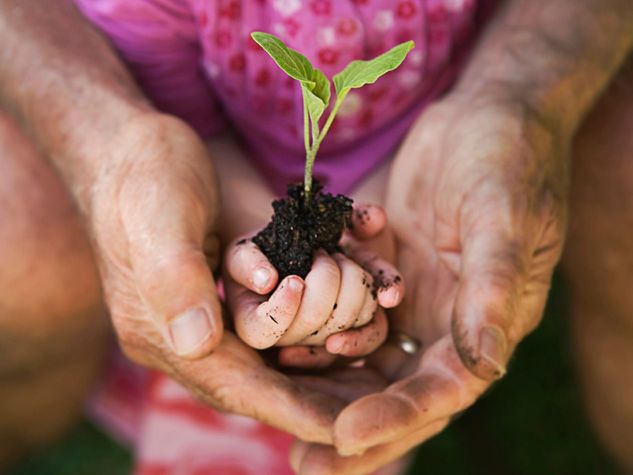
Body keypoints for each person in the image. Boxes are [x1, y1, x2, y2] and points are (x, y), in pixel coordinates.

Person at [0, 0, 632, 474]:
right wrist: (240, 211)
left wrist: (513, 96)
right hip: (240, 177)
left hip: (413, 171)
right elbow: (177, 102)